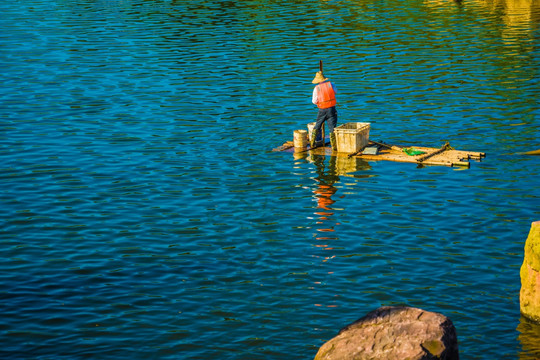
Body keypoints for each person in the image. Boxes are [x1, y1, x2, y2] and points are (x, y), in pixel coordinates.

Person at [311, 71, 338, 150]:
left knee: (317, 125)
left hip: (322, 110)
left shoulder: (316, 88)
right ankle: (334, 147)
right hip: (331, 109)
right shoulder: (331, 84)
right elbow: (335, 92)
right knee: (332, 128)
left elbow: (314, 101)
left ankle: (312, 144)